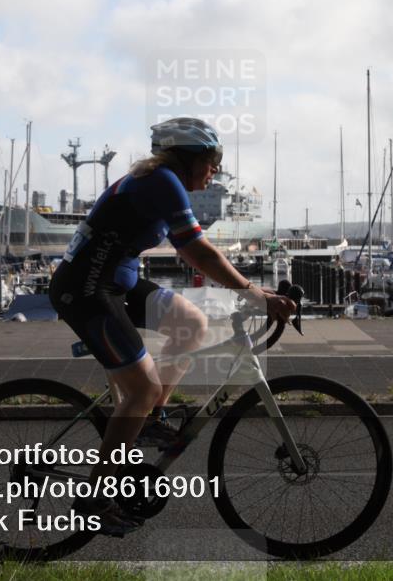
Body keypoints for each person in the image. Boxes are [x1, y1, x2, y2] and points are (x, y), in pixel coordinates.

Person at [48, 117, 296, 535]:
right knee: (141, 388)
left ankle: (148, 418)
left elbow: (193, 250)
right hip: (87, 290)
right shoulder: (162, 181)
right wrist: (255, 293)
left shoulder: (162, 181)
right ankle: (96, 499)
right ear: (188, 158)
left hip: (115, 282)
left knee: (191, 322)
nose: (215, 169)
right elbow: (197, 251)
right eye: (211, 161)